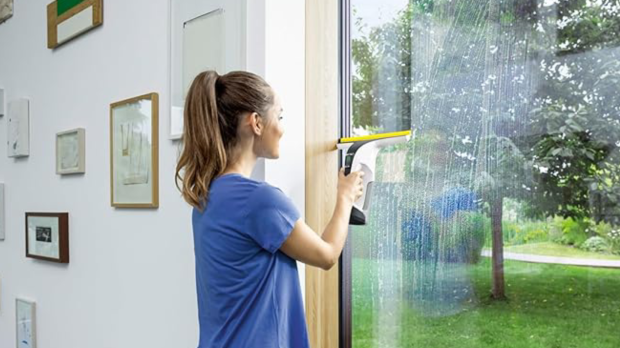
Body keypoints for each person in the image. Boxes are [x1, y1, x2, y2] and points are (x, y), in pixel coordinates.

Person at [175, 70, 364, 348]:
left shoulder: (206, 196)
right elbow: (327, 255)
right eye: (280, 116)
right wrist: (345, 197)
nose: (282, 128)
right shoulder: (260, 200)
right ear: (256, 122)